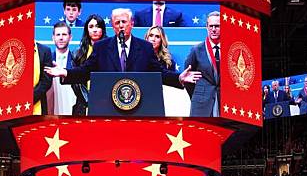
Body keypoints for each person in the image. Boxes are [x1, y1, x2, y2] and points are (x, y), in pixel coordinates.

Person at [45, 8, 200, 91]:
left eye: (124, 21)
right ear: (112, 26)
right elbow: (86, 71)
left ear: (131, 23)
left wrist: (179, 78)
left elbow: (159, 73)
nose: (121, 25)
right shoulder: (102, 47)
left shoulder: (145, 47)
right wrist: (66, 72)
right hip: (108, 104)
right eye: (117, 22)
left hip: (139, 104)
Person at [183, 11, 222, 117]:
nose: (213, 29)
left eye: (217, 26)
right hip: (201, 104)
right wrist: (198, 95)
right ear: (206, 27)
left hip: (225, 103)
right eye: (211, 26)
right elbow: (188, 77)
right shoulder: (196, 50)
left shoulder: (231, 50)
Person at [70, 14, 107, 116]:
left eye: (98, 26)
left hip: (106, 102)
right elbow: (75, 83)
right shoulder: (77, 53)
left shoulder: (111, 50)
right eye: (91, 27)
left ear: (103, 29)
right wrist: (88, 99)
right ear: (86, 30)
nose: (94, 30)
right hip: (83, 104)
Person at [47, 22, 76, 115]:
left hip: (73, 110)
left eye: (64, 34)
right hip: (52, 110)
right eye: (58, 34)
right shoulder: (47, 60)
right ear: (53, 38)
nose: (61, 38)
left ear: (70, 37)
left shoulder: (77, 60)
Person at [34, 42, 53, 115]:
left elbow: (46, 81)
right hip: (14, 104)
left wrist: (29, 99)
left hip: (37, 101)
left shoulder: (45, 50)